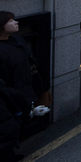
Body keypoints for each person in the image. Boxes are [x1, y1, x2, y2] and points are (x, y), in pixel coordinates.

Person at [0, 12, 49, 162]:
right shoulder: (3, 50)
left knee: (17, 126)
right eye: (11, 21)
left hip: (24, 90)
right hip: (10, 96)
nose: (16, 22)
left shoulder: (16, 40)